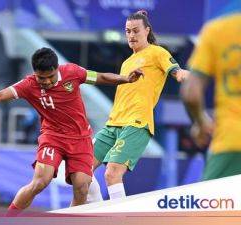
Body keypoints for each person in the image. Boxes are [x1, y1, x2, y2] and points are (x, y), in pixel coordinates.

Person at [0, 47, 143, 215]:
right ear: (35, 73)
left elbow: (101, 77)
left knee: (82, 187)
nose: (48, 82)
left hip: (80, 139)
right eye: (42, 78)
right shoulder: (29, 85)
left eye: (51, 76)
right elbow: (0, 95)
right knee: (41, 181)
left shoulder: (72, 72)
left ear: (57, 68)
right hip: (53, 137)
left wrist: (125, 78)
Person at [86, 10, 189, 203]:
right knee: (80, 169)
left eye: (135, 31)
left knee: (112, 174)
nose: (131, 35)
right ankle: (99, 211)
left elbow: (175, 70)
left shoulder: (157, 52)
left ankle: (119, 218)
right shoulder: (126, 62)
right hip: (113, 125)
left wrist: (181, 73)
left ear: (147, 31)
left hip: (136, 124)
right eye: (128, 31)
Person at [181, 12, 241, 180]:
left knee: (214, 205)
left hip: (232, 141)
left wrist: (201, 122)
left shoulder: (218, 30)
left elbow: (191, 92)